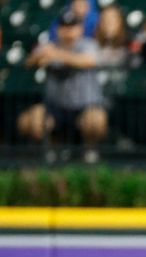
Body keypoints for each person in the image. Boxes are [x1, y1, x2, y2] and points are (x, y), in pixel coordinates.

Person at [18, 9, 107, 162]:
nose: (68, 30)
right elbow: (29, 63)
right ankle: (50, 151)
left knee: (96, 120)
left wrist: (55, 55)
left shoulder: (88, 45)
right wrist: (40, 55)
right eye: (64, 26)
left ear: (80, 28)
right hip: (56, 107)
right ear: (58, 29)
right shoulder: (50, 46)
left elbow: (89, 60)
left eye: (72, 26)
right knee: (30, 119)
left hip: (84, 106)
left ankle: (89, 151)